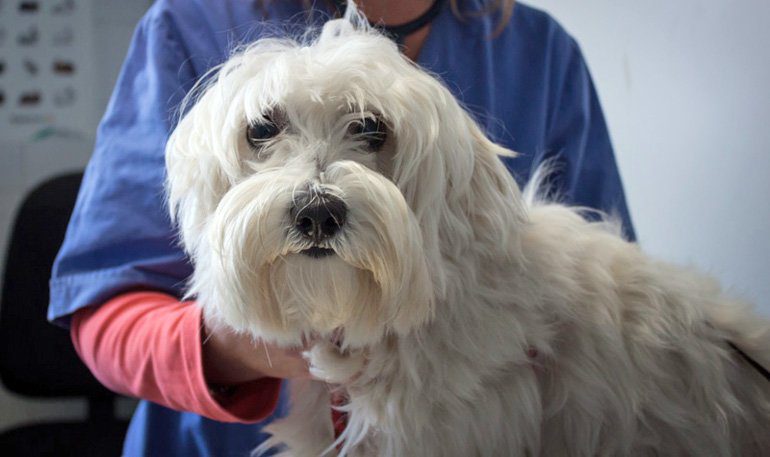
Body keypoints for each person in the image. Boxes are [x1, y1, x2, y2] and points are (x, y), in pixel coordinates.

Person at [49, 0, 635, 455]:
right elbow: (103, 307)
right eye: (264, 135)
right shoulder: (190, 23)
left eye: (371, 133)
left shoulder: (538, 52)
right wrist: (248, 350)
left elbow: (602, 303)